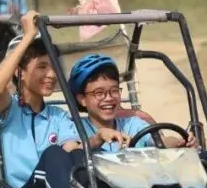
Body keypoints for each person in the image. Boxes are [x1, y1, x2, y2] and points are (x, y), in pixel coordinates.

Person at [0, 12, 117, 188]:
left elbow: (73, 148)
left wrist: (97, 140)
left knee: (81, 156)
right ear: (21, 72)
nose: (51, 75)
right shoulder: (9, 109)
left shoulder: (57, 116)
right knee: (52, 154)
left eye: (54, 68)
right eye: (42, 67)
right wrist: (28, 36)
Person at [58, 53, 198, 152]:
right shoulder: (74, 128)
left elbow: (159, 141)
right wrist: (98, 138)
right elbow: (70, 154)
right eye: (99, 93)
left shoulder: (133, 124)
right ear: (82, 99)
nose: (108, 98)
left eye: (114, 90)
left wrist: (180, 142)